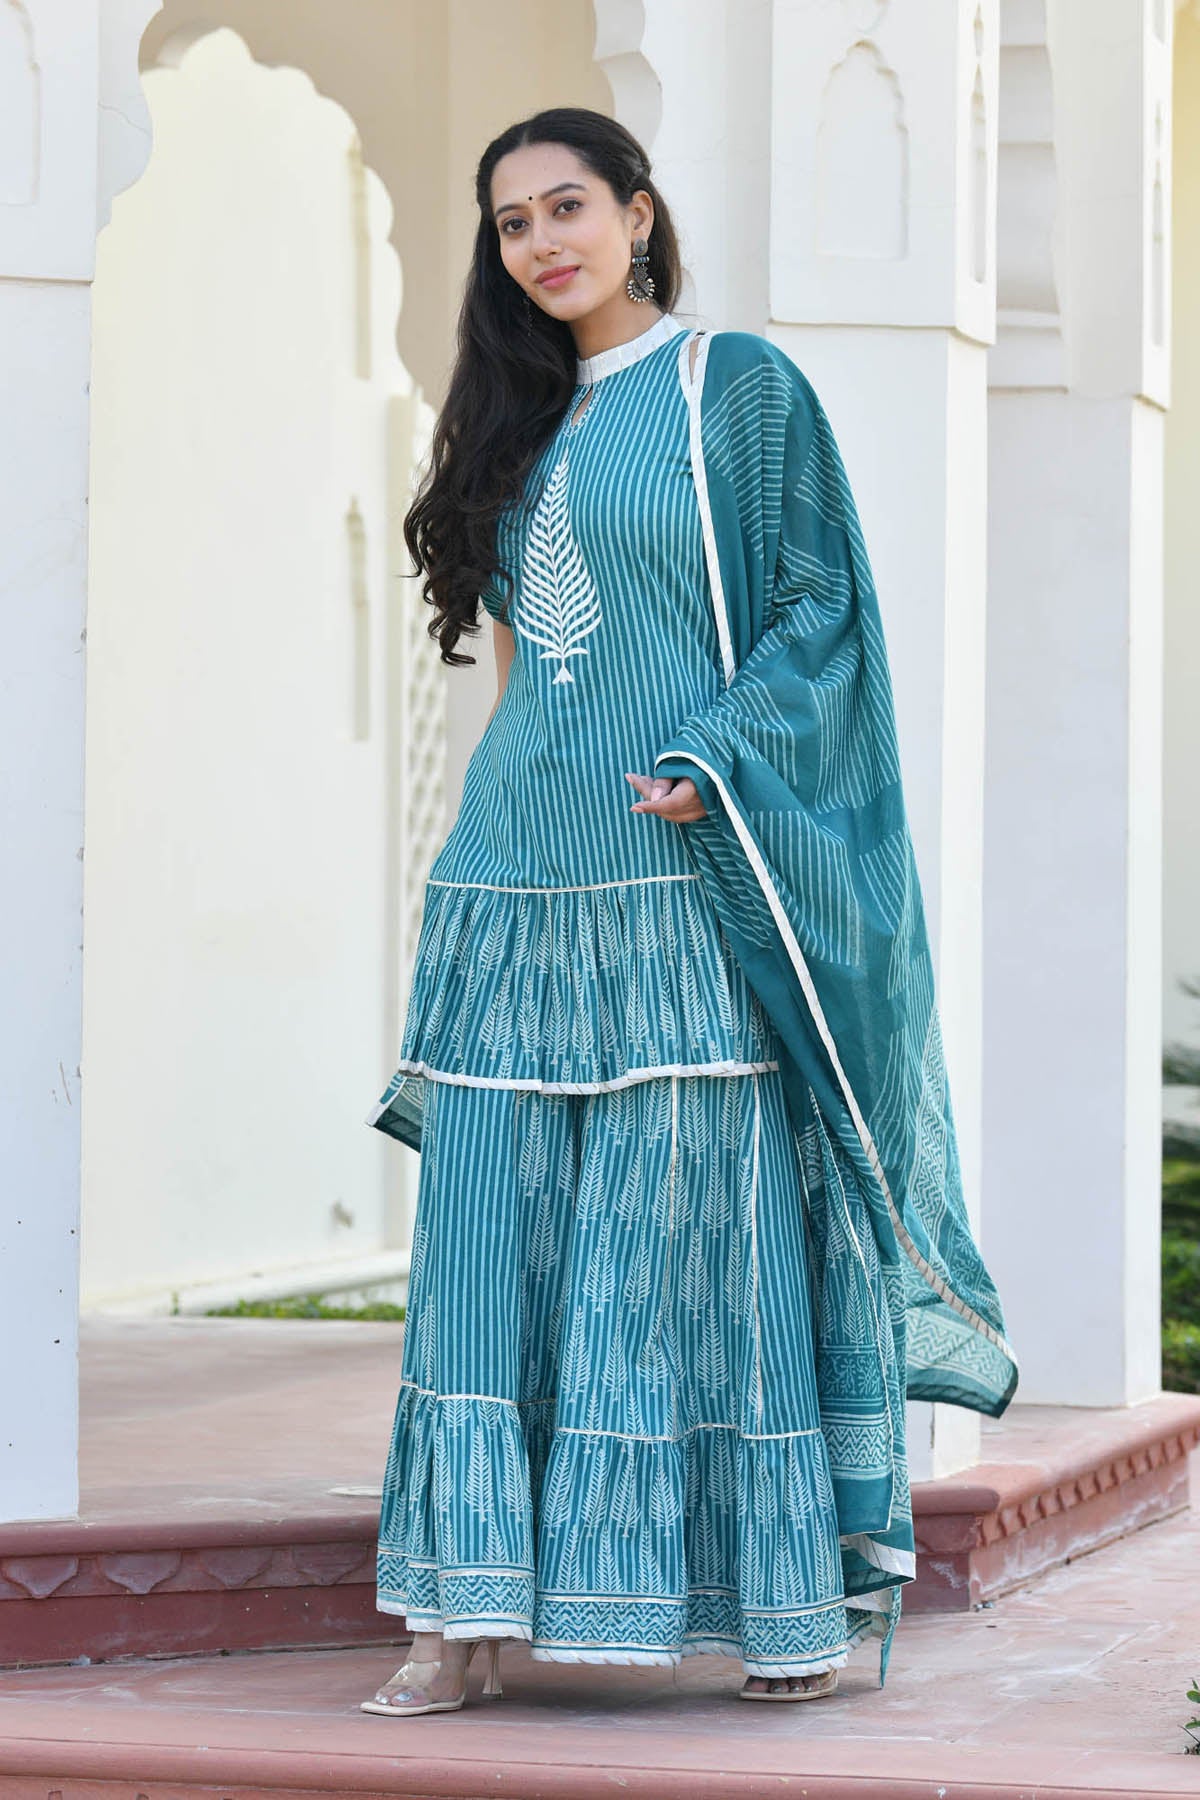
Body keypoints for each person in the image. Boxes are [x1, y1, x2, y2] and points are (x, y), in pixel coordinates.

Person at [359, 106, 1017, 1720]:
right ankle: (458, 1619)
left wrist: (714, 753)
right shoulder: (510, 417)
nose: (541, 241)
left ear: (639, 214)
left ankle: (775, 1605)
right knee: (482, 1240)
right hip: (517, 879)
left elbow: (820, 611)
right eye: (512, 222)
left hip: (681, 872)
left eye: (567, 206)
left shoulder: (738, 389)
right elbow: (519, 666)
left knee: (686, 1235)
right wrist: (472, 846)